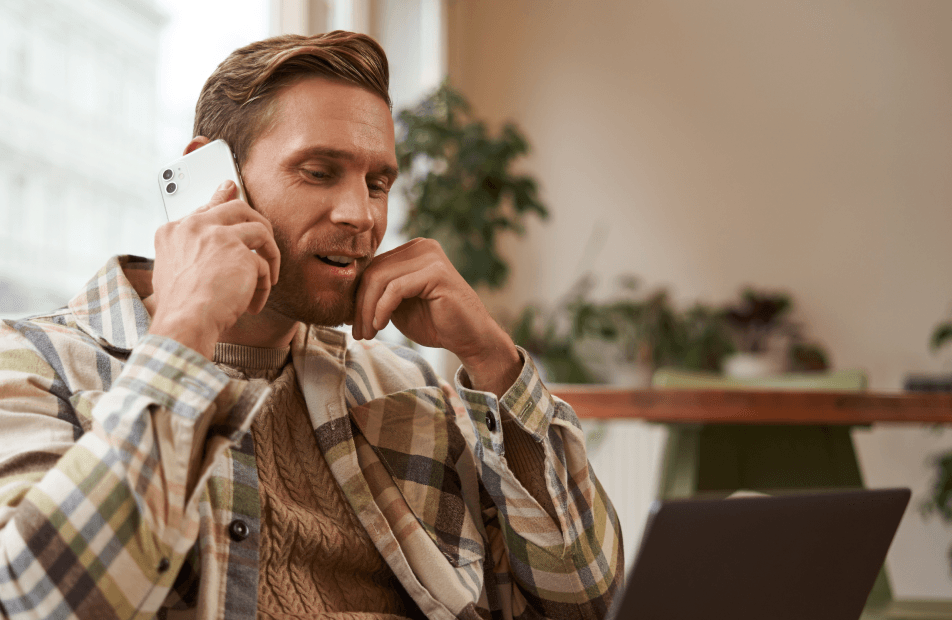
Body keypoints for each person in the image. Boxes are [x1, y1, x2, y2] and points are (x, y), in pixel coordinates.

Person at [0, 31, 622, 620]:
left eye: (377, 183)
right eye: (319, 171)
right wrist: (188, 324)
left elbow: (588, 604)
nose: (361, 215)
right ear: (210, 180)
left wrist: (491, 358)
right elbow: (46, 603)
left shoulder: (403, 386)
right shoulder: (35, 365)